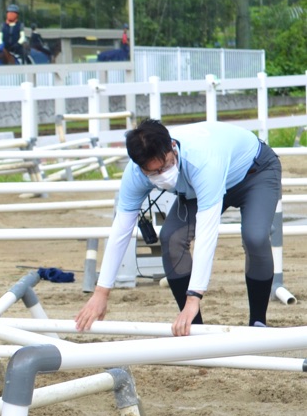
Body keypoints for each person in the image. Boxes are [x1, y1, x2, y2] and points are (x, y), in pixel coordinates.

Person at [74, 119, 282, 336]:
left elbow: (207, 232)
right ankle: (195, 330)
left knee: (255, 236)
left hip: (254, 172)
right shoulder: (135, 174)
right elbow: (121, 230)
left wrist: (194, 297)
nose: (162, 175)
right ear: (140, 167)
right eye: (153, 172)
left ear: (172, 146)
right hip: (194, 185)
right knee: (171, 239)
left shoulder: (201, 159)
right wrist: (101, 292)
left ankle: (258, 323)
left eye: (165, 165)